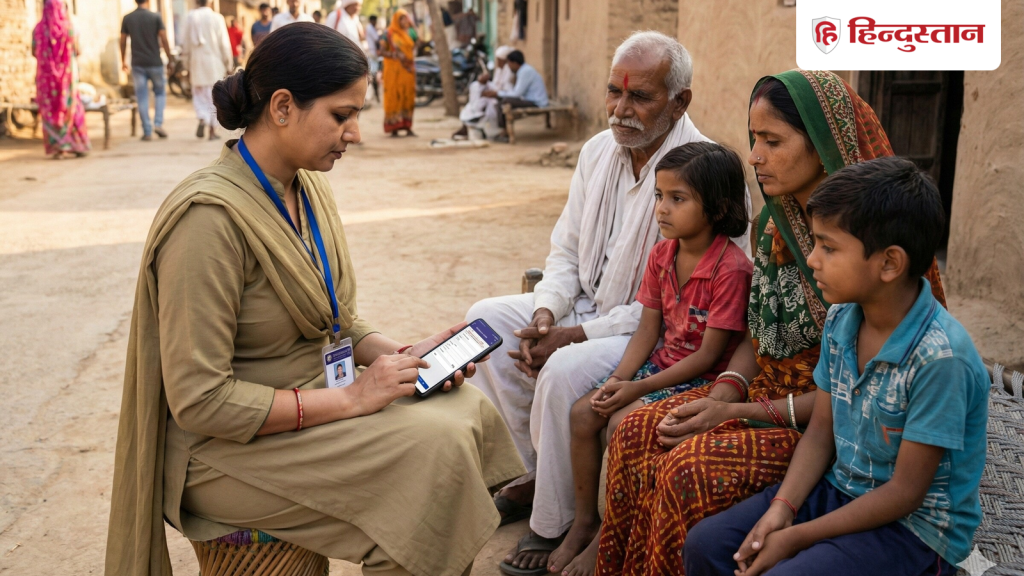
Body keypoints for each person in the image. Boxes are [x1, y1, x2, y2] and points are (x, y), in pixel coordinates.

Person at [103, 23, 523, 576]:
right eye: (341, 115)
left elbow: (335, 321)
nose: (353, 133)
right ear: (282, 107)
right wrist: (351, 401)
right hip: (225, 452)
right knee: (430, 454)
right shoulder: (208, 222)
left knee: (458, 409)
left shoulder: (307, 185)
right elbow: (201, 401)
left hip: (311, 404)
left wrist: (407, 354)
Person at [595, 70, 948, 576]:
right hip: (765, 392)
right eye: (753, 139)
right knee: (637, 432)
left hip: (828, 424)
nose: (755, 156)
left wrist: (739, 409)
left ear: (825, 144)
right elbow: (754, 338)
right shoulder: (774, 225)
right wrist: (726, 389)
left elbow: (847, 406)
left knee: (688, 471)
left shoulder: (871, 272)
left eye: (773, 141)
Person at [466, 31, 752, 575]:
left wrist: (570, 336)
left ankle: (553, 523)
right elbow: (566, 250)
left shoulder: (707, 170)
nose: (621, 110)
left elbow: (679, 308)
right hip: (585, 309)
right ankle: (529, 475)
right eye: (613, 93)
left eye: (639, 97)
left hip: (648, 330)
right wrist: (547, 311)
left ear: (680, 101)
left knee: (564, 370)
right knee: (486, 320)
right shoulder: (599, 150)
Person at [684, 156, 987, 576]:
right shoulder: (844, 319)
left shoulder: (940, 359)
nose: (812, 260)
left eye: (828, 247)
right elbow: (821, 431)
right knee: (708, 544)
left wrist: (797, 536)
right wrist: (782, 510)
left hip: (913, 531)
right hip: (840, 488)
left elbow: (904, 494)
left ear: (889, 263)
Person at [555, 142, 754, 576]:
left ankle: (612, 532)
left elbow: (709, 355)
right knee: (583, 414)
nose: (661, 209)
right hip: (657, 369)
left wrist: (638, 388)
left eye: (677, 199)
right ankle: (585, 521)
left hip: (699, 379)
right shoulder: (663, 254)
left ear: (718, 207)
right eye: (659, 196)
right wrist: (620, 379)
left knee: (620, 424)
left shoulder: (731, 268)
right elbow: (648, 330)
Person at [32, 0, 90, 159]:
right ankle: (77, 144)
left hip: (46, 80)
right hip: (67, 79)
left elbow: (34, 52)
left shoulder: (38, 30)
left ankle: (58, 148)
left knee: (51, 109)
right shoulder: (70, 29)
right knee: (70, 107)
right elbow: (78, 51)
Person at [120, 0, 173, 141]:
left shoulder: (128, 18)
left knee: (142, 96)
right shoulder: (155, 17)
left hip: (137, 63)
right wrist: (170, 58)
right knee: (160, 93)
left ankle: (147, 131)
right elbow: (164, 38)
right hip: (155, 62)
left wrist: (122, 60)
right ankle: (158, 123)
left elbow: (123, 40)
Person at [180, 0, 232, 140]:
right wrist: (229, 65)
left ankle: (202, 118)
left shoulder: (189, 17)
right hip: (214, 64)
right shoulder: (217, 18)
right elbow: (224, 44)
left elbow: (185, 43)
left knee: (198, 95)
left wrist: (186, 65)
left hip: (196, 63)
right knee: (213, 98)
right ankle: (211, 131)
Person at [481, 50, 547, 143]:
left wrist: (497, 94)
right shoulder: (523, 70)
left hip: (536, 102)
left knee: (504, 101)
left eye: (509, 63)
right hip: (530, 99)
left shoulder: (525, 71)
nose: (508, 66)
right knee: (503, 100)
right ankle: (504, 131)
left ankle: (504, 132)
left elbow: (517, 93)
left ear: (515, 63)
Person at [452, 45, 514, 140]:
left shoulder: (508, 71)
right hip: (495, 94)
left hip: (501, 97)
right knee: (475, 94)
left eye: (499, 59)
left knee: (480, 103)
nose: (497, 62)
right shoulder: (499, 70)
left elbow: (506, 89)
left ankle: (473, 127)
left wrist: (494, 92)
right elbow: (495, 85)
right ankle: (467, 126)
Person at [380, 10, 416, 137]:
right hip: (393, 71)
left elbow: (417, 43)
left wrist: (413, 26)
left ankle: (407, 126)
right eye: (402, 19)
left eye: (406, 18)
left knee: (408, 97)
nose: (405, 21)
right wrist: (394, 54)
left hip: (407, 71)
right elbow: (381, 51)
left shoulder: (409, 32)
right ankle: (393, 127)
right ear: (396, 20)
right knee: (394, 97)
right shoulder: (388, 33)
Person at [365, 14, 380, 102]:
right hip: (372, 54)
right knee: (373, 76)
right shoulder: (370, 28)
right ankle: (375, 95)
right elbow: (377, 39)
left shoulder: (371, 28)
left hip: (373, 54)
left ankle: (376, 95)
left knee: (373, 75)